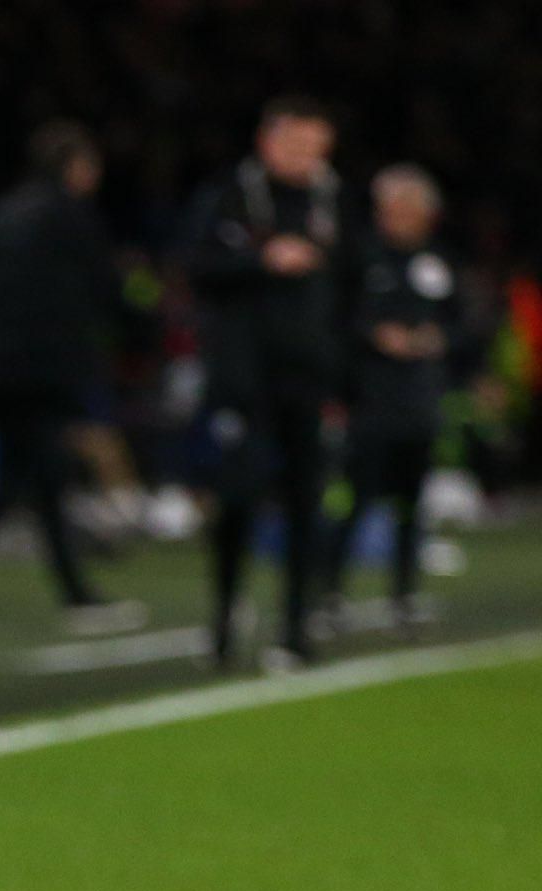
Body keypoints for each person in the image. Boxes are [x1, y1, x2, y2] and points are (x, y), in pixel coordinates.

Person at [0, 122, 145, 636]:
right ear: (75, 167)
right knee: (38, 474)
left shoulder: (0, 214)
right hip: (39, 370)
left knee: (27, 476)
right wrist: (143, 324)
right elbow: (106, 290)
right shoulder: (72, 217)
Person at [185, 96, 350, 669]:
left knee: (308, 504)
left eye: (316, 146)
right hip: (243, 381)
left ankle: (296, 627)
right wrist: (263, 259)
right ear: (267, 141)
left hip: (307, 380)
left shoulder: (334, 202)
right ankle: (226, 618)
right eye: (296, 143)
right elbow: (196, 265)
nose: (306, 156)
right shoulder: (229, 197)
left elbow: (353, 283)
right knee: (237, 500)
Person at [325, 165, 465, 625]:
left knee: (412, 503)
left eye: (410, 208)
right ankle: (329, 592)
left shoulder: (439, 261)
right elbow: (336, 318)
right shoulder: (360, 257)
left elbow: (464, 323)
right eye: (392, 208)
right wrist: (374, 336)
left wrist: (438, 338)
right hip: (370, 399)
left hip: (420, 400)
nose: (400, 217)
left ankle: (403, 594)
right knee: (357, 498)